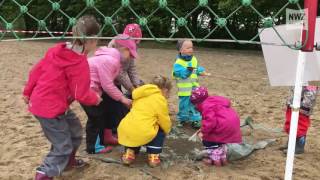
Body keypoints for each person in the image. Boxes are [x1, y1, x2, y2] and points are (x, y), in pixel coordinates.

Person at [22, 15, 102, 180]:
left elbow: (36, 71)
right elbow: (80, 93)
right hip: (49, 108)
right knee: (62, 146)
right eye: (97, 39)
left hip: (50, 103)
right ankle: (43, 175)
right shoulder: (79, 63)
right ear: (91, 41)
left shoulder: (57, 50)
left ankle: (67, 164)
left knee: (74, 131)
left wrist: (27, 92)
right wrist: (95, 98)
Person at [81, 34, 137, 154]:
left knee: (101, 114)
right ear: (123, 50)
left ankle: (103, 139)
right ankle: (93, 147)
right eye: (130, 53)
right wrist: (123, 99)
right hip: (87, 91)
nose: (130, 57)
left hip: (91, 90)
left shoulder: (110, 58)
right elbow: (107, 85)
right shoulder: (110, 61)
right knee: (96, 118)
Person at [117, 75, 172, 167]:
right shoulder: (160, 99)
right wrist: (167, 129)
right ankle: (153, 156)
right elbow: (164, 119)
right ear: (165, 90)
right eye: (168, 93)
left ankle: (129, 154)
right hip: (143, 131)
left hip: (126, 128)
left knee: (135, 129)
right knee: (160, 129)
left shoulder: (140, 94)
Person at [190, 87, 242, 166]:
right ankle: (223, 158)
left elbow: (210, 123)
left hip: (224, 125)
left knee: (208, 140)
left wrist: (203, 132)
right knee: (220, 142)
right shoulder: (213, 101)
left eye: (195, 105)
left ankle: (215, 161)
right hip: (232, 123)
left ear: (198, 103)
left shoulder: (206, 106)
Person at [172, 40, 209, 129]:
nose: (191, 49)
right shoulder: (178, 63)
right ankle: (182, 119)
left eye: (191, 47)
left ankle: (195, 119)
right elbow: (182, 74)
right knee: (184, 105)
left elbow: (195, 70)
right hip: (184, 90)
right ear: (181, 50)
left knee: (195, 104)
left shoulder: (194, 59)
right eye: (188, 47)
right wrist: (188, 70)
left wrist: (200, 71)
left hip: (194, 88)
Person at [108, 24, 144, 96]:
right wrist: (131, 88)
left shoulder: (131, 47)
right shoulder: (114, 50)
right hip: (109, 83)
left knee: (140, 83)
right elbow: (119, 73)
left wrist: (137, 84)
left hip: (117, 81)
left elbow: (131, 67)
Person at [283, 85, 318, 154]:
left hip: (302, 107)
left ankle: (299, 146)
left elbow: (311, 94)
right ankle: (291, 144)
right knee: (290, 123)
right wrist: (289, 102)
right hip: (293, 103)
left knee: (300, 126)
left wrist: (304, 107)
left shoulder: (310, 80)